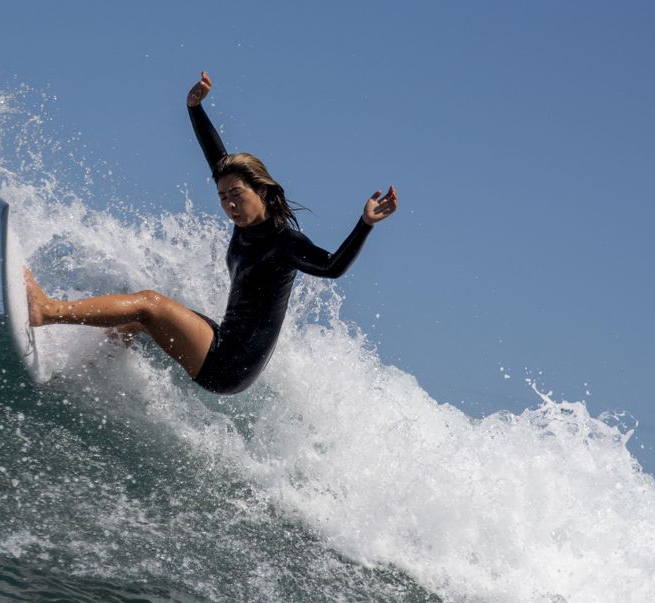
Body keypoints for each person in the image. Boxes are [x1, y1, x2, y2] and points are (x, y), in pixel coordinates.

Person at [23, 71, 398, 394]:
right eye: (222, 198)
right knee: (137, 319)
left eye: (236, 195)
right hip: (222, 340)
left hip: (231, 364)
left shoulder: (285, 242)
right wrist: (194, 108)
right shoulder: (244, 224)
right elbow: (218, 160)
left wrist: (364, 223)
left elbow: (331, 267)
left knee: (148, 303)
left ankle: (48, 310)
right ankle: (87, 371)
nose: (229, 204)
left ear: (262, 191)